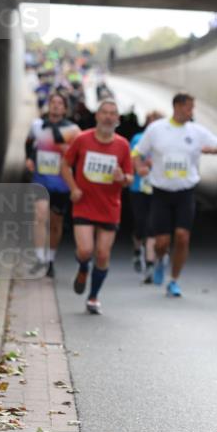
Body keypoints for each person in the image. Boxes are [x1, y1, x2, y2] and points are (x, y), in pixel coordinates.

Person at [133, 92, 217, 297]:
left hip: (185, 193)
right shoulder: (156, 129)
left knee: (183, 237)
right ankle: (160, 260)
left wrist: (212, 150)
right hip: (161, 193)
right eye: (189, 108)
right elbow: (137, 153)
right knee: (162, 242)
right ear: (177, 106)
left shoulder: (196, 131)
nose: (191, 112)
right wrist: (139, 167)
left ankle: (174, 280)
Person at [61, 99, 133, 314]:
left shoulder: (122, 145)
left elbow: (129, 177)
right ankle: (83, 267)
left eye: (113, 113)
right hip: (84, 204)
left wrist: (123, 178)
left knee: (102, 254)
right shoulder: (82, 139)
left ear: (117, 119)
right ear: (97, 116)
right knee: (85, 250)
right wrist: (73, 187)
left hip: (109, 207)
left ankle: (93, 297)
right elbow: (65, 164)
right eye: (105, 113)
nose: (109, 116)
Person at [25, 92, 81, 278]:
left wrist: (68, 153)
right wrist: (29, 159)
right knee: (40, 216)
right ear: (49, 105)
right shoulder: (37, 125)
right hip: (41, 180)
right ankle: (40, 258)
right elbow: (29, 142)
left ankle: (50, 260)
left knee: (56, 223)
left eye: (60, 103)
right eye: (53, 102)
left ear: (65, 108)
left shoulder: (73, 130)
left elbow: (80, 155)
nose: (56, 106)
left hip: (61, 183)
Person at [129, 110, 163, 281]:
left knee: (152, 226)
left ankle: (150, 264)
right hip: (139, 188)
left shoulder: (165, 141)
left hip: (157, 188)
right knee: (140, 224)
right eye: (152, 122)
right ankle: (137, 249)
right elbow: (130, 160)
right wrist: (142, 164)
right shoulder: (138, 139)